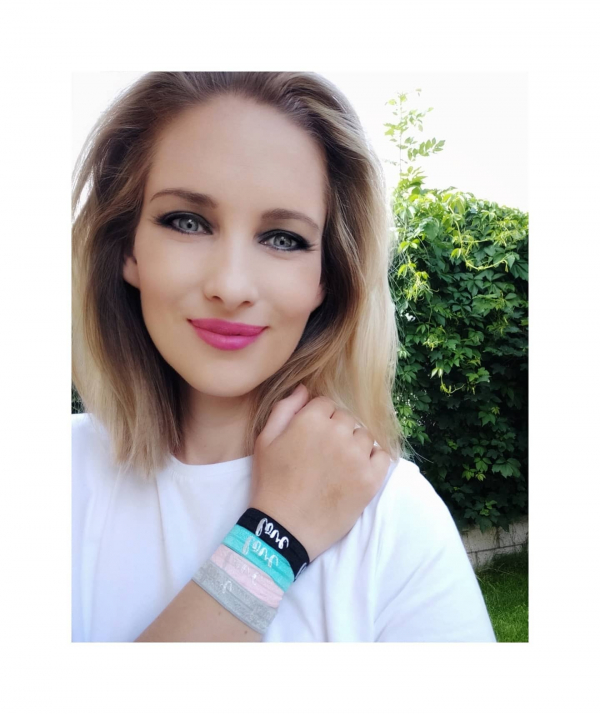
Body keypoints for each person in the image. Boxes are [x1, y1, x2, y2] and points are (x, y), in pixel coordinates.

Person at [71, 71, 496, 642]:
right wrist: (275, 537)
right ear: (128, 250)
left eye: (283, 238)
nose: (230, 286)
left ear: (326, 279)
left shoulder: (393, 517)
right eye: (188, 222)